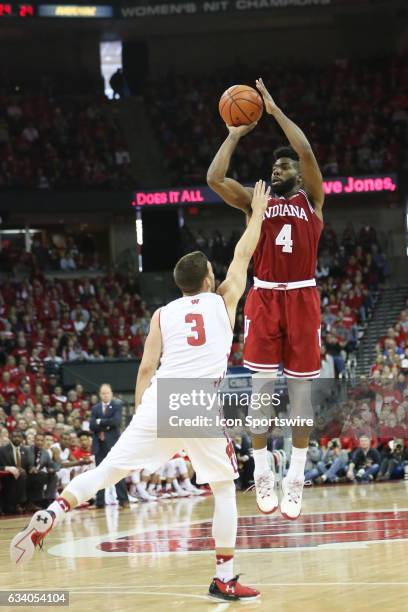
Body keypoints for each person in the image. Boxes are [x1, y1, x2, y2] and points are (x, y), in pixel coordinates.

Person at [10, 181, 271, 602]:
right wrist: (256, 213)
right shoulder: (224, 299)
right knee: (224, 488)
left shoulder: (162, 314)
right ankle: (224, 577)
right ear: (208, 277)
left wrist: (141, 414)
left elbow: (147, 367)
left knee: (108, 471)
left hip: (158, 399)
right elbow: (244, 253)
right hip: (196, 400)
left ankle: (54, 510)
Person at [207, 78, 324, 519]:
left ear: (298, 173)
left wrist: (274, 112)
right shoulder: (256, 202)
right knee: (260, 390)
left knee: (300, 394)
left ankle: (296, 473)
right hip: (265, 297)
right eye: (274, 167)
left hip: (302, 297)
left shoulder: (312, 200)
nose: (277, 171)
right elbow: (215, 177)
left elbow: (307, 152)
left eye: (283, 167)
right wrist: (234, 134)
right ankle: (261, 467)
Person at [90, 384, 129, 509]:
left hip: (112, 444)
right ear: (99, 394)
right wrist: (106, 424)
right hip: (99, 445)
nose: (105, 395)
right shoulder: (95, 408)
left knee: (117, 471)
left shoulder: (116, 405)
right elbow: (91, 425)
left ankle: (123, 500)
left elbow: (116, 422)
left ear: (111, 393)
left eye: (107, 393)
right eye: (102, 393)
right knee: (99, 473)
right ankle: (99, 502)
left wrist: (100, 422)